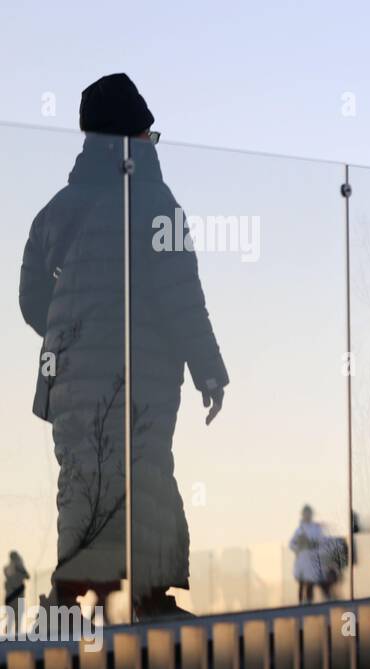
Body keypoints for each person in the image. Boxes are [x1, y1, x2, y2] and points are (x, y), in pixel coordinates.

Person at [18, 74, 228, 619]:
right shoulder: (155, 200)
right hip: (140, 374)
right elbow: (182, 293)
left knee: (84, 478)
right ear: (132, 139)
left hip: (70, 381)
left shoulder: (57, 209)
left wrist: (74, 336)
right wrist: (209, 370)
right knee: (147, 471)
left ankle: (64, 607)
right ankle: (151, 600)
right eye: (148, 135)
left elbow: (30, 298)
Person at [290, 505, 336, 604]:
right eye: (306, 513)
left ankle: (329, 602)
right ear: (303, 515)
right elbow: (292, 544)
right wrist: (301, 547)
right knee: (306, 584)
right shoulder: (299, 530)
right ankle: (305, 605)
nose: (308, 515)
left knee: (322, 582)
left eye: (309, 513)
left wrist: (314, 545)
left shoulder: (316, 528)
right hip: (304, 562)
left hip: (316, 560)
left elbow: (322, 541)